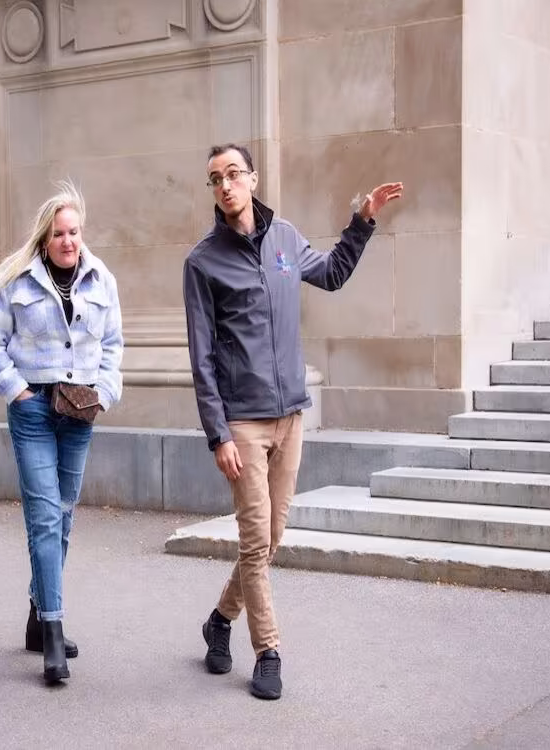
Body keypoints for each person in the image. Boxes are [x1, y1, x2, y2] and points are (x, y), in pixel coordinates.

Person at [183, 143, 403, 700]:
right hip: (243, 423)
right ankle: (268, 652)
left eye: (234, 173)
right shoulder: (202, 262)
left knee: (272, 537)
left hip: (291, 416)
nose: (225, 185)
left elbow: (331, 273)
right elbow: (201, 357)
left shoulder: (284, 239)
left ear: (253, 179)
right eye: (215, 179)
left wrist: (362, 222)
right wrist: (217, 434)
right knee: (256, 540)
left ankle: (219, 619)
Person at [0, 181, 123, 684]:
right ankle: (54, 634)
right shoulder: (16, 280)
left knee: (62, 518)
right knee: (44, 517)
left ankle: (38, 617)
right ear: (44, 238)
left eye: (74, 232)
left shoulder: (101, 279)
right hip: (34, 410)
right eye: (59, 233)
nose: (68, 241)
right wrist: (17, 391)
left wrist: (104, 393)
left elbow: (113, 345)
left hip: (79, 412)